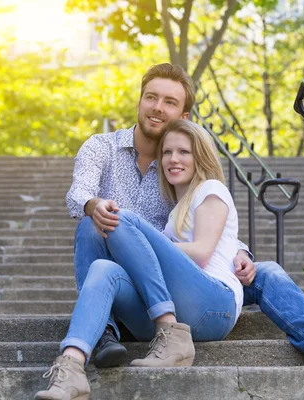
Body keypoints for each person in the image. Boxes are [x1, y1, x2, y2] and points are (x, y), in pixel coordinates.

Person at [36, 63, 304, 397]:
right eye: (151, 97)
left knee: (266, 271)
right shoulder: (103, 148)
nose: (157, 108)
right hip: (128, 296)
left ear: (184, 115)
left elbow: (207, 231)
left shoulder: (185, 183)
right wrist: (94, 204)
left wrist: (241, 253)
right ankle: (99, 336)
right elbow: (80, 193)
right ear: (140, 100)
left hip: (180, 288)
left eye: (169, 102)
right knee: (96, 222)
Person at [34, 119, 245, 399]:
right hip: (177, 306)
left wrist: (141, 246)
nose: (173, 159)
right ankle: (72, 367)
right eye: (167, 153)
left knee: (118, 219)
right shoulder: (175, 212)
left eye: (183, 152)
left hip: (215, 305)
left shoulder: (211, 189)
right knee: (102, 268)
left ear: (200, 156)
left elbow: (204, 251)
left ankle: (169, 329)